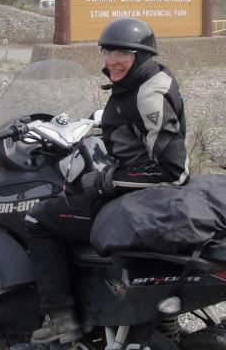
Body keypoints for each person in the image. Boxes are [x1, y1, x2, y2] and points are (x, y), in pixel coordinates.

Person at [24, 17, 189, 344]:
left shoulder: (148, 95)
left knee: (39, 218)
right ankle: (162, 321)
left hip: (144, 197)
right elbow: (139, 133)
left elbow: (172, 170)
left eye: (122, 53)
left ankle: (62, 319)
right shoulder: (146, 80)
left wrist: (107, 182)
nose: (111, 60)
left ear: (140, 56)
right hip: (146, 191)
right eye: (107, 52)